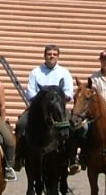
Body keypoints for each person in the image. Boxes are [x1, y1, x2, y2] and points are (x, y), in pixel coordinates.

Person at [14, 44, 75, 173]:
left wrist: (59, 101)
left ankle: (71, 159)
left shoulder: (64, 72)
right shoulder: (35, 72)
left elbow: (69, 92)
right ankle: (18, 157)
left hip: (58, 110)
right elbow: (30, 92)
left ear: (58, 56)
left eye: (54, 54)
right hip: (38, 110)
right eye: (49, 54)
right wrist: (42, 103)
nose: (51, 56)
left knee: (73, 126)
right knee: (21, 124)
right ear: (45, 56)